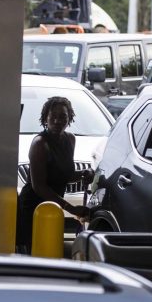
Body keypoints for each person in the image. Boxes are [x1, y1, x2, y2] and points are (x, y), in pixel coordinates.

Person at [16, 96, 92, 254]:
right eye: (53, 116)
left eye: (63, 116)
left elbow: (65, 174)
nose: (58, 121)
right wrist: (71, 208)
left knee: (50, 250)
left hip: (54, 206)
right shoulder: (40, 144)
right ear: (45, 118)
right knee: (34, 252)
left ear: (69, 118)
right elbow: (40, 187)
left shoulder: (70, 139)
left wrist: (83, 174)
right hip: (33, 208)